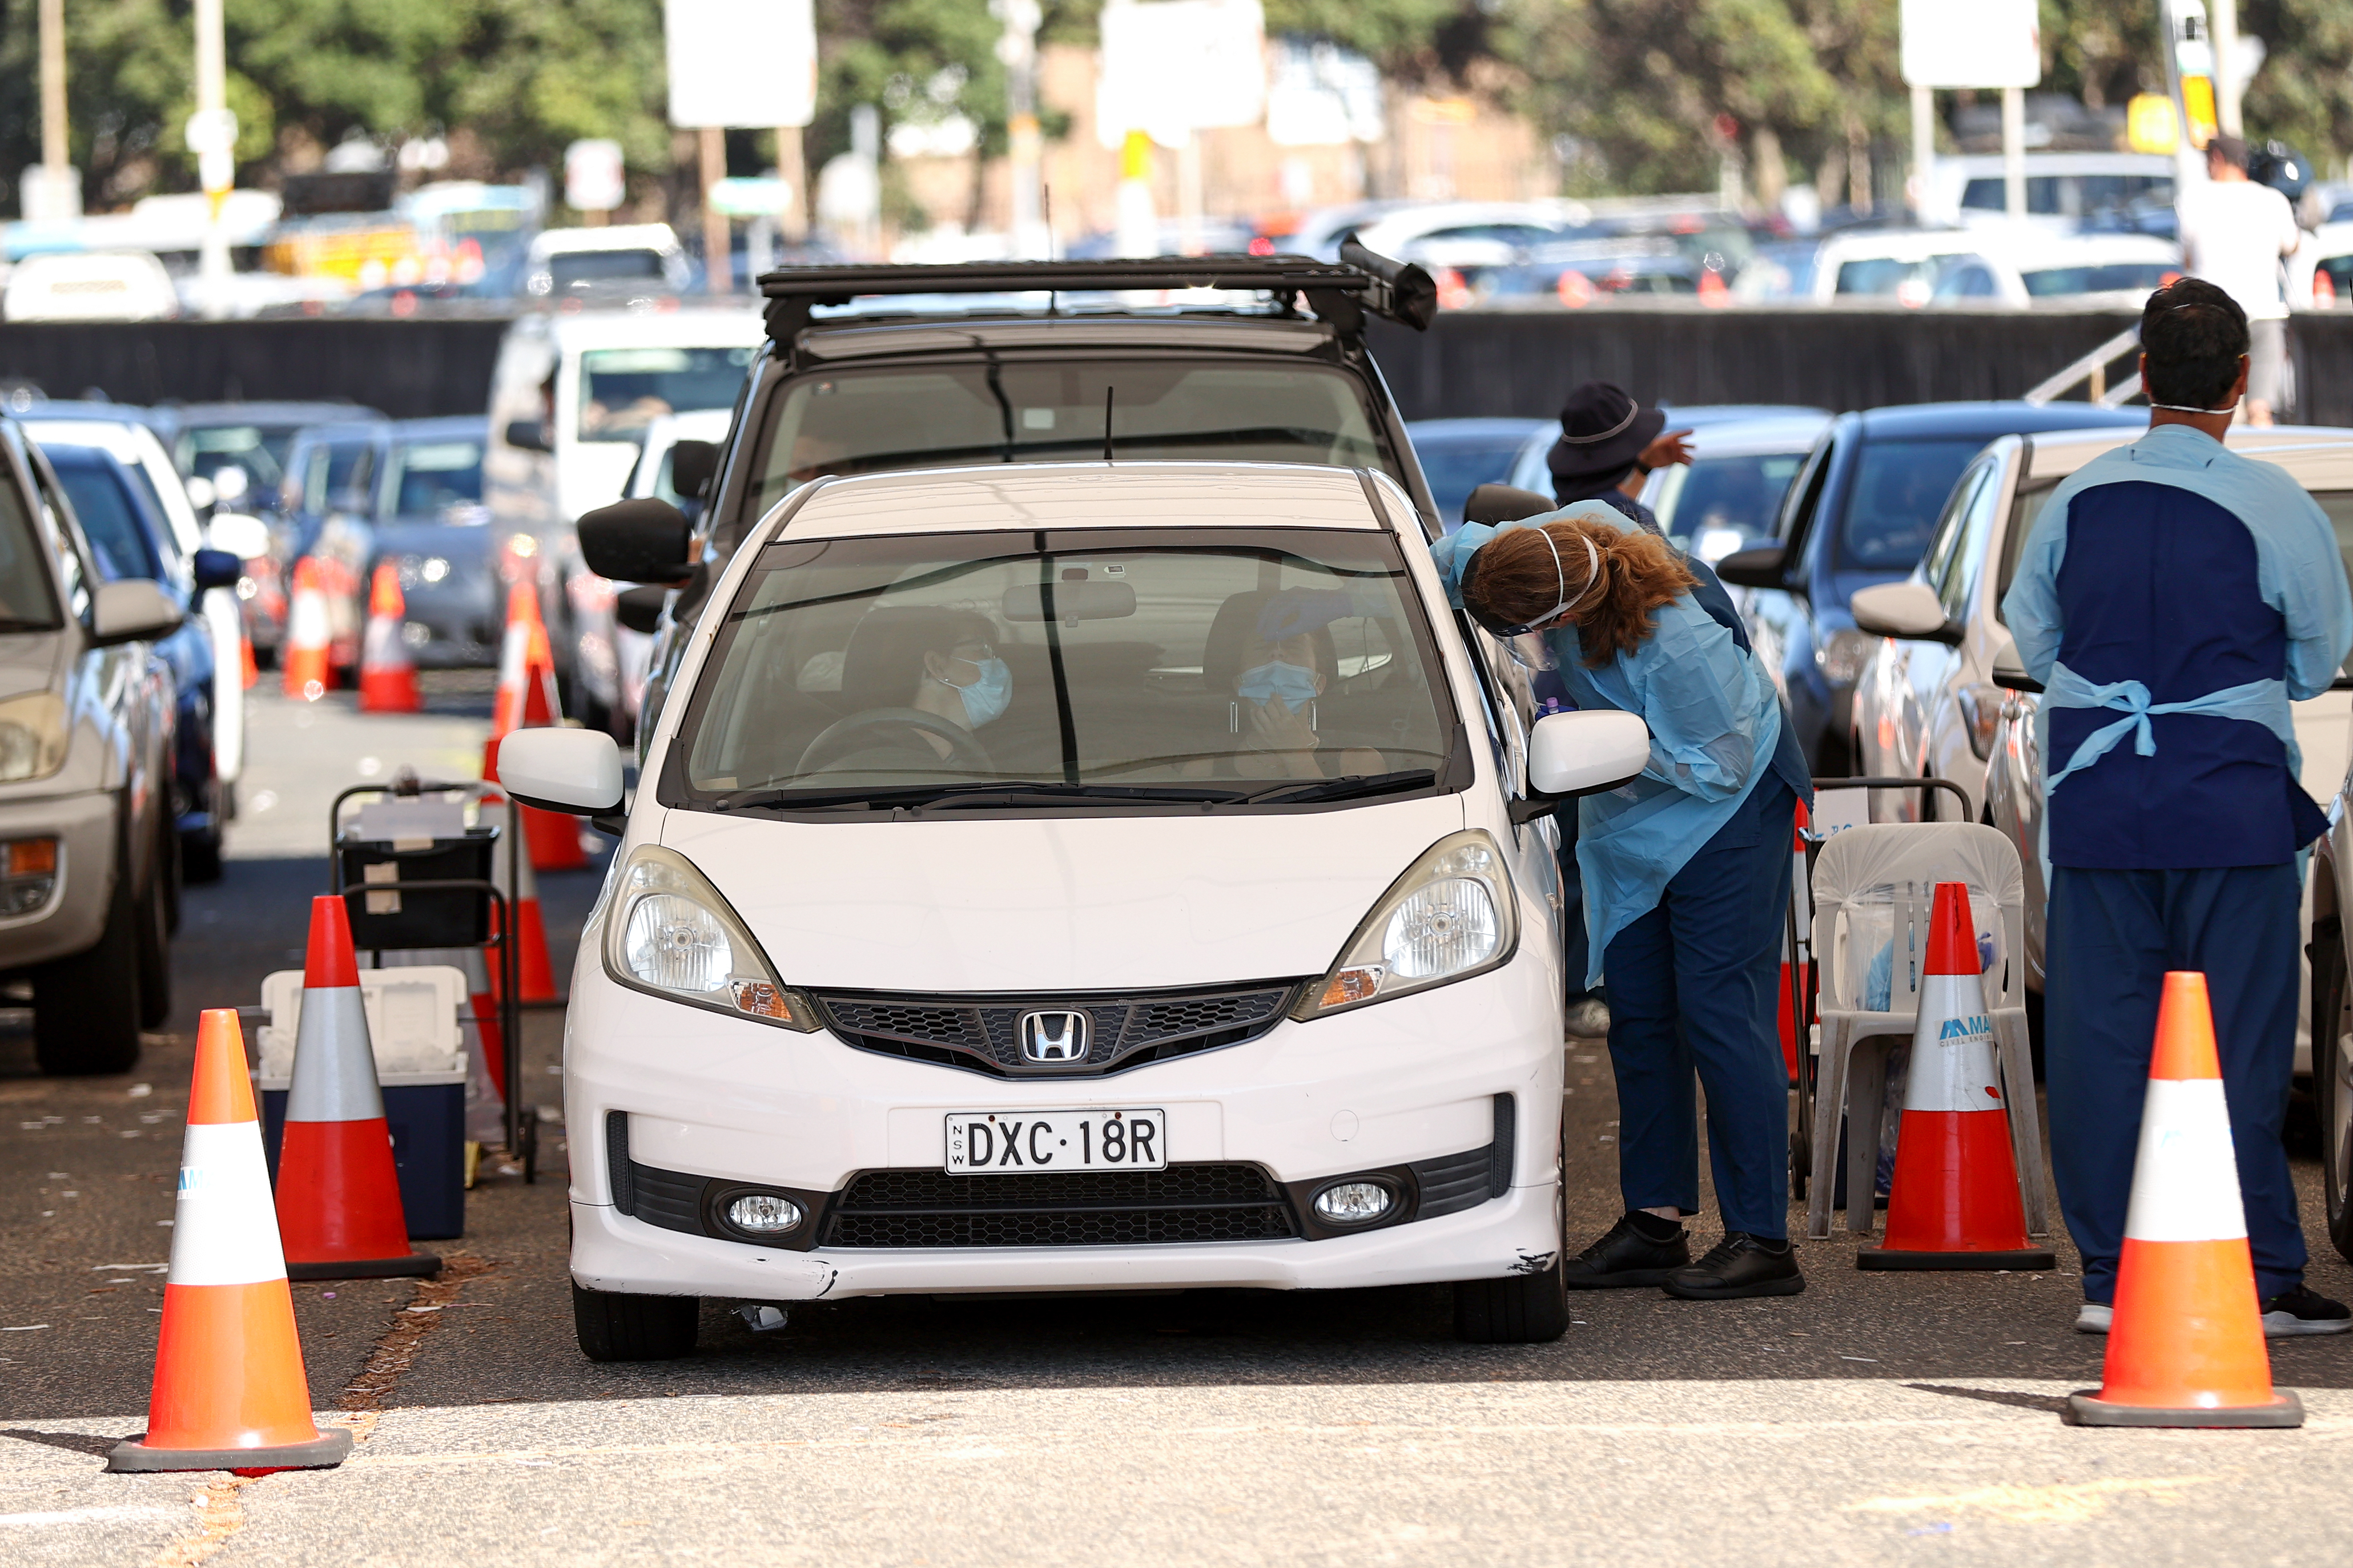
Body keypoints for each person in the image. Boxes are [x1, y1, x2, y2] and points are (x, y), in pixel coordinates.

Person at [2002, 277, 2353, 1337]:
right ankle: (2263, 1278)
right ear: (2241, 382)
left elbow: (2037, 639)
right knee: (2239, 1048)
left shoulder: (2075, 495)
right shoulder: (2276, 503)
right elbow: (2317, 660)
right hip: (2232, 806)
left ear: (2142, 375)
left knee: (2100, 1047)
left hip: (2100, 805)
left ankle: (2110, 1278)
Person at [1434, 506, 1814, 1299]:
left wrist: (1613, 745)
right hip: (1630, 803)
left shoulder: (1674, 639)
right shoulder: (1523, 552)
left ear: (1565, 614)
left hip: (1726, 804)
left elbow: (1721, 759)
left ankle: (1762, 1239)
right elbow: (1444, 556)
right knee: (1639, 1008)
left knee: (1718, 1007)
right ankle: (1655, 1220)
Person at [2176, 134, 2302, 426]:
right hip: (2264, 313)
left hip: (2213, 317)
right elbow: (2292, 246)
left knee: (2215, 407)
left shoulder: (2194, 199)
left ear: (2217, 158)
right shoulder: (2273, 200)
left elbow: (2187, 260)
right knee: (2260, 409)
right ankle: (2264, 466)